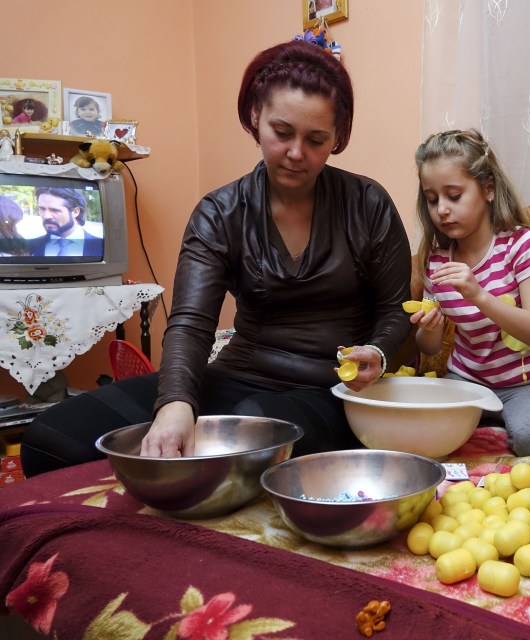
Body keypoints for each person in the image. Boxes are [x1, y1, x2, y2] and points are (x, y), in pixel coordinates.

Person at [20, 39, 412, 475]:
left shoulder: (368, 203)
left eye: (316, 139)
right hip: (236, 375)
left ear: (338, 137)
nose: (297, 153)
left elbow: (394, 310)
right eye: (282, 133)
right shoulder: (221, 212)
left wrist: (377, 352)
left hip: (330, 390)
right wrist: (175, 403)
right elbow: (191, 323)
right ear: (255, 117)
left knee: (241, 444)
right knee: (49, 440)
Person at [410, 128, 530, 456]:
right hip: (466, 379)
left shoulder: (522, 245)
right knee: (421, 427)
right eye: (433, 198)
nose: (442, 210)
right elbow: (429, 346)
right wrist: (430, 327)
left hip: (526, 384)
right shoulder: (436, 261)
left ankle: (487, 431)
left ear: (488, 190)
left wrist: (479, 295)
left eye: (454, 195)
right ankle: (487, 430)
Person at [27, 187, 104, 257]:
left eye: (55, 210)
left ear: (75, 212)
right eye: (42, 209)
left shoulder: (101, 246)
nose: (46, 216)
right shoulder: (28, 246)